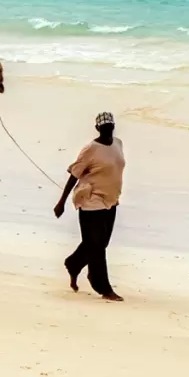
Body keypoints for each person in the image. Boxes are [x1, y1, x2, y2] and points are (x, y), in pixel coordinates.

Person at [54, 112, 126, 302]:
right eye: (104, 128)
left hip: (111, 199)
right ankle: (103, 287)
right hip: (90, 199)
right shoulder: (90, 149)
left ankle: (73, 263)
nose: (108, 130)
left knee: (101, 243)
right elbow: (74, 174)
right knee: (96, 246)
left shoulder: (118, 144)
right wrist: (61, 202)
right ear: (97, 129)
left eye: (110, 126)